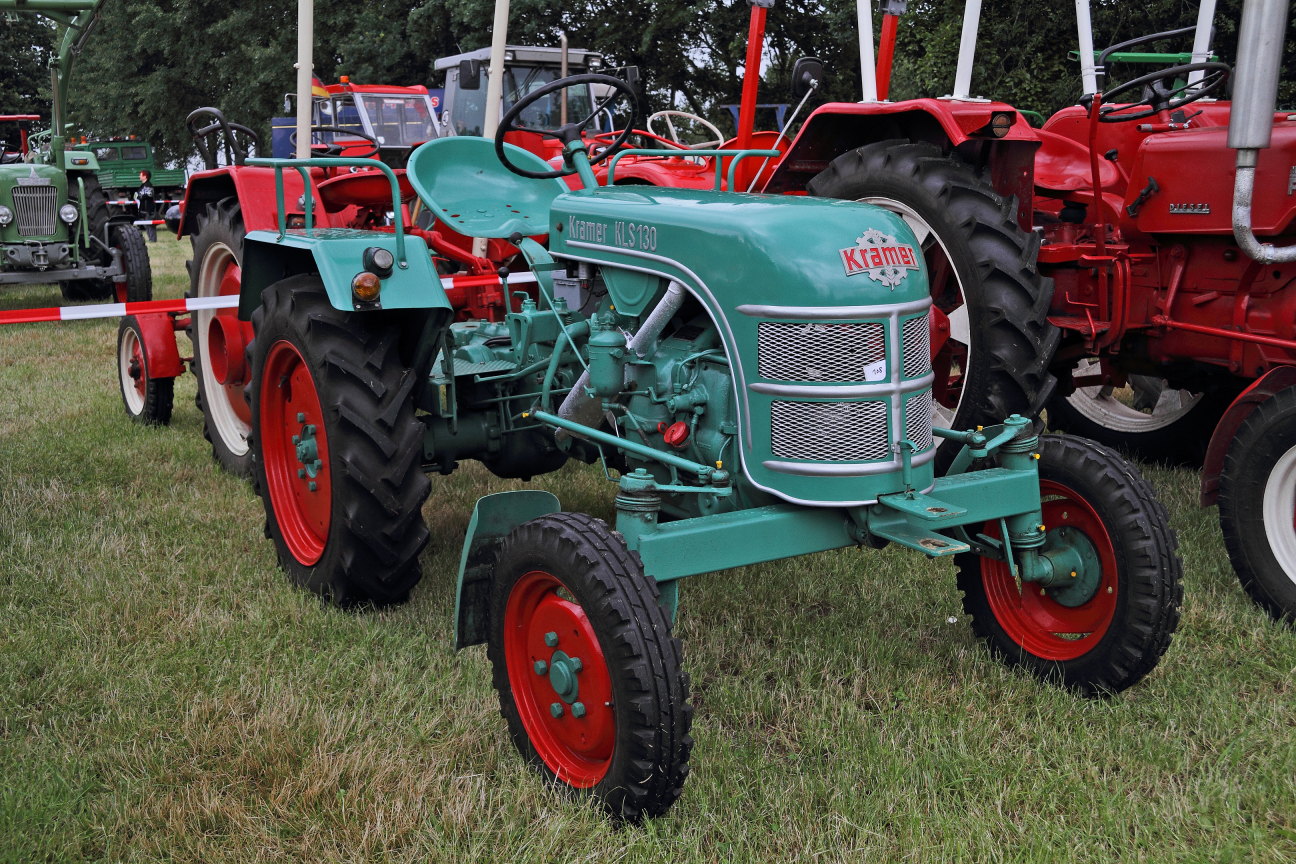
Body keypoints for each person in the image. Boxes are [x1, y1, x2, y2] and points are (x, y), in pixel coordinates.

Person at [135, 169, 157, 242]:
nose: (139, 176)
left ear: (145, 176)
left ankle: (153, 240)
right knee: (146, 225)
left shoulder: (148, 185)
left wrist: (140, 196)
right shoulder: (142, 185)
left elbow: (149, 194)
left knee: (150, 225)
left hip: (148, 209)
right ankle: (151, 239)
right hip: (143, 208)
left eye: (140, 175)